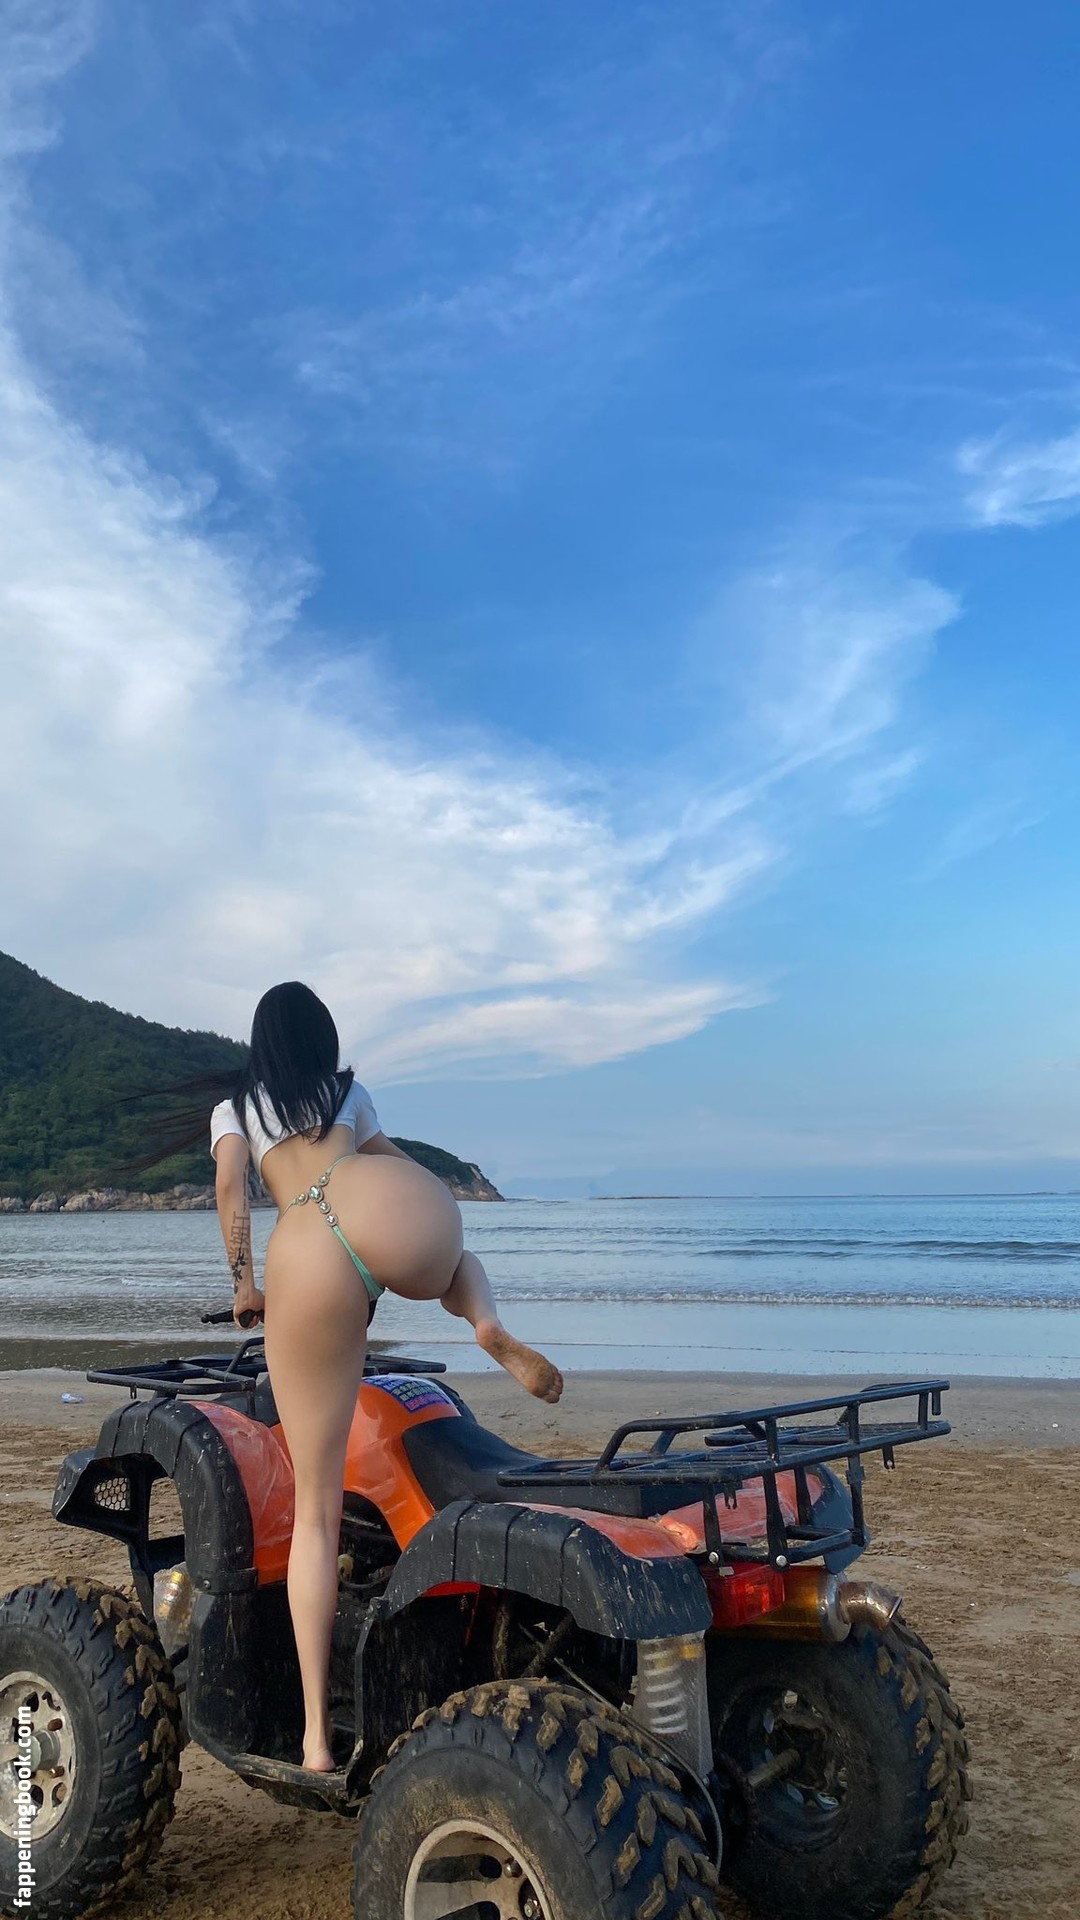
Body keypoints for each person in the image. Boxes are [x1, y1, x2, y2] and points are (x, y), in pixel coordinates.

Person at [209, 980, 562, 1773]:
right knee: (457, 1263)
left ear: (262, 1045)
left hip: (309, 1245)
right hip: (391, 1205)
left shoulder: (237, 1109)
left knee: (316, 1513)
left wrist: (244, 1286)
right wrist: (424, 1208)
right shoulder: (347, 1093)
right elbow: (398, 1165)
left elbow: (232, 1187)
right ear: (322, 1039)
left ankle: (315, 1739)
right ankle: (483, 1321)